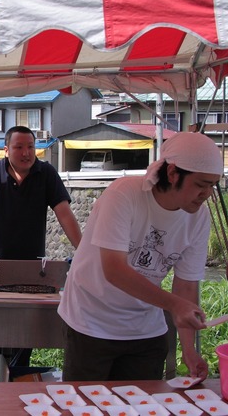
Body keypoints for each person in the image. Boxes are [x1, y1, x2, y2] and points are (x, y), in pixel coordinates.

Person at [58, 132, 223, 381]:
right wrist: (174, 305)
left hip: (145, 327)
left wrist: (188, 349)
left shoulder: (198, 218)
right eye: (201, 184)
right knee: (85, 404)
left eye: (213, 185)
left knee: (144, 404)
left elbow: (186, 286)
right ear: (173, 173)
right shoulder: (124, 194)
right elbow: (114, 269)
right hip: (91, 320)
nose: (207, 194)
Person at [0, 125, 81, 382]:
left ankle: (15, 387)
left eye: (31, 147)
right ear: (6, 149)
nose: (26, 153)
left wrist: (85, 251)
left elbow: (64, 213)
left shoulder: (46, 173)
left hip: (33, 274)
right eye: (19, 147)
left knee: (24, 342)